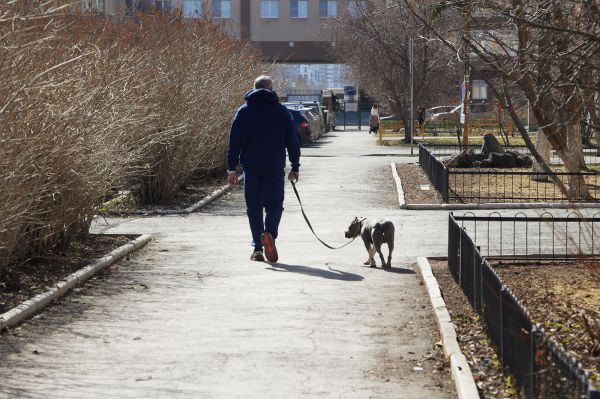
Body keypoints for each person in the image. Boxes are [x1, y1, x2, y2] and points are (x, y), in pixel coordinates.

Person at [227, 76, 301, 263]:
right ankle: (270, 233)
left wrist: (231, 169)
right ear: (271, 89)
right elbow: (292, 142)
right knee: (274, 205)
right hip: (275, 167)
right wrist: (295, 166)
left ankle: (258, 249)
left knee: (254, 208)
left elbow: (234, 143)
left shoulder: (243, 112)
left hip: (251, 168)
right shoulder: (282, 111)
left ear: (253, 89)